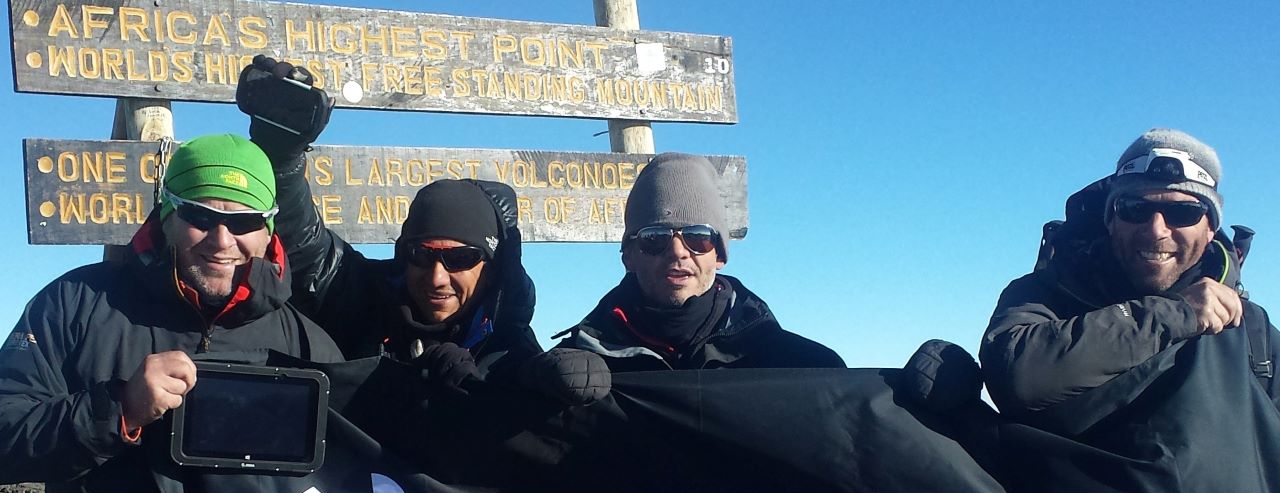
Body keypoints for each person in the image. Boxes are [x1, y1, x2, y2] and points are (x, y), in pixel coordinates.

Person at [0, 134, 343, 493]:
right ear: (166, 214)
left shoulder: (310, 345)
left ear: (270, 230)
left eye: (243, 222)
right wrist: (120, 408)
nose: (221, 240)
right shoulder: (76, 304)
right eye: (199, 216)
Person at [236, 56, 540, 388]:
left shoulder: (515, 350)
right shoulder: (364, 303)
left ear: (491, 265)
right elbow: (304, 244)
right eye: (421, 255)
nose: (437, 277)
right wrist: (279, 155)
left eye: (460, 258)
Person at [981, 128, 1280, 419]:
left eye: (1183, 213)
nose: (1156, 230)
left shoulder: (1253, 330)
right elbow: (1016, 377)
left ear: (1211, 228)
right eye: (1135, 208)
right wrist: (1177, 313)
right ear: (1110, 219)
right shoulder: (1048, 293)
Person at [555, 152, 845, 370]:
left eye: (698, 236)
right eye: (654, 237)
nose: (678, 251)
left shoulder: (805, 368)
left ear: (719, 254)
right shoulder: (573, 367)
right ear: (628, 256)